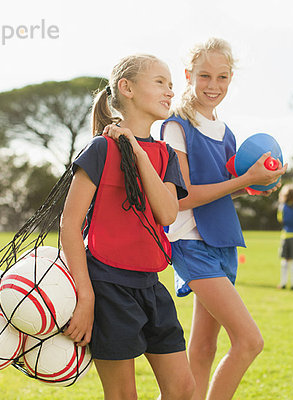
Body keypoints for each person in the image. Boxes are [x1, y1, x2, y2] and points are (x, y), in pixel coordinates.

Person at [60, 54, 195, 400]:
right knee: (123, 395)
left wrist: (136, 150)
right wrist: (86, 296)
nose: (170, 90)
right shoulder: (100, 149)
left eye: (171, 84)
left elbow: (167, 213)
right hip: (107, 286)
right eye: (160, 82)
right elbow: (69, 224)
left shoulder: (165, 154)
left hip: (152, 285)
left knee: (182, 388)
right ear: (127, 88)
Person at [159, 38, 287, 400]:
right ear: (188, 75)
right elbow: (181, 199)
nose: (213, 86)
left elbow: (222, 189)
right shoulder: (175, 127)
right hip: (191, 244)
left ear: (231, 79)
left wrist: (258, 183)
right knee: (249, 341)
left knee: (203, 350)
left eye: (222, 77)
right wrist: (246, 180)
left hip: (223, 243)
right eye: (204, 76)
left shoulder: (226, 132)